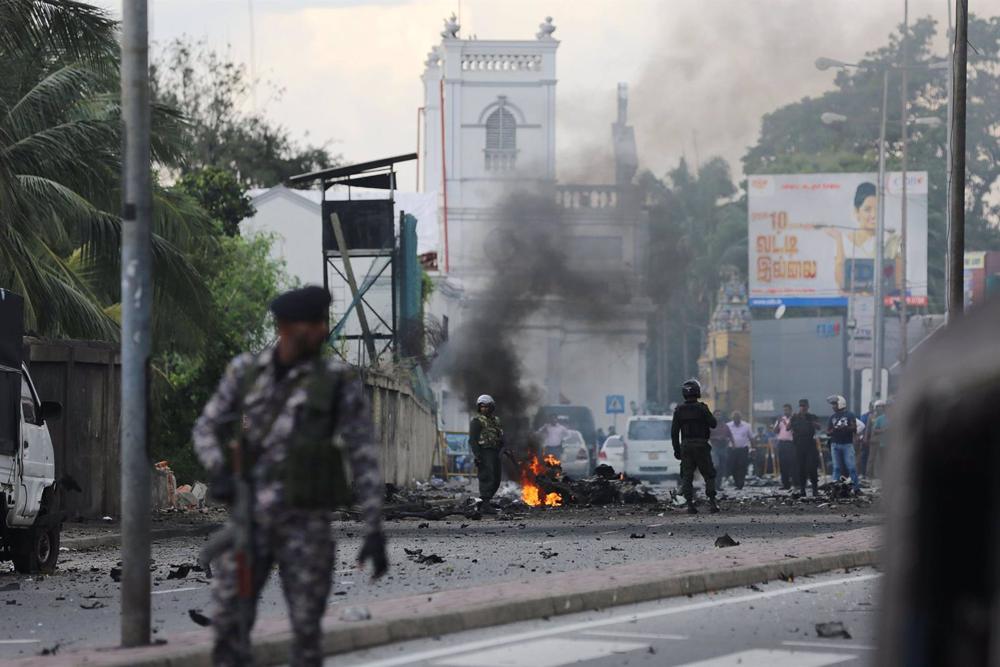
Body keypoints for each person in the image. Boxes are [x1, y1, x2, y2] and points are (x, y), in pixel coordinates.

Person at [192, 285, 387, 667]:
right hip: (249, 525)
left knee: (306, 635)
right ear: (285, 326)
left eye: (322, 321)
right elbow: (206, 427)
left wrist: (374, 529)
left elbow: (363, 455)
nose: (322, 330)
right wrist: (219, 469)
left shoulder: (337, 380)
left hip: (307, 528)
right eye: (312, 323)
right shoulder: (246, 372)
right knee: (230, 630)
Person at [671, 379, 719, 514]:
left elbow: (674, 433)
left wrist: (677, 450)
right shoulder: (702, 408)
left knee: (687, 476)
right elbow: (713, 423)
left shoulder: (679, 410)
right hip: (701, 445)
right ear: (697, 392)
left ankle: (690, 505)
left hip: (686, 446)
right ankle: (712, 502)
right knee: (709, 474)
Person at [469, 394, 505, 514]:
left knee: (496, 478)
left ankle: (487, 502)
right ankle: (485, 504)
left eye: (486, 406)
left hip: (495, 452)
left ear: (492, 407)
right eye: (482, 407)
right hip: (484, 452)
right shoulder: (476, 421)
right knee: (487, 477)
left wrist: (504, 448)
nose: (484, 409)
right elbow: (473, 440)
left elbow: (500, 436)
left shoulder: (496, 421)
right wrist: (477, 455)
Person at [827, 394, 861, 495]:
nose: (833, 406)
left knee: (851, 467)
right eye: (832, 404)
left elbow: (854, 428)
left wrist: (844, 428)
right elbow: (828, 432)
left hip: (847, 444)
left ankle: (856, 489)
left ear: (840, 403)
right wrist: (834, 430)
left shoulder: (850, 415)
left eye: (834, 404)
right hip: (835, 444)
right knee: (836, 468)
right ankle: (835, 489)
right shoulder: (832, 417)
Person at [790, 398, 822, 497]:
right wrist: (793, 418)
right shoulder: (795, 417)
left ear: (808, 407)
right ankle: (802, 489)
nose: (802, 408)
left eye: (804, 406)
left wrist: (811, 422)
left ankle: (815, 489)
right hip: (799, 445)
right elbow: (788, 427)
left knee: (812, 467)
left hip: (810, 444)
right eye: (801, 406)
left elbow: (819, 427)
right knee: (801, 468)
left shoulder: (812, 416)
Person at [772, 404, 797, 490]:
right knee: (783, 465)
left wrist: (785, 421)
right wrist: (778, 422)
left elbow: (788, 428)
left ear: (790, 410)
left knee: (792, 464)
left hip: (790, 444)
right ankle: (785, 484)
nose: (785, 412)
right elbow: (775, 431)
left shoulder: (793, 419)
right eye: (784, 410)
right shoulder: (780, 420)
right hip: (781, 443)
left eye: (787, 410)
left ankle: (794, 483)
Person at [726, 412, 753, 490]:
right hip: (732, 449)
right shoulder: (728, 425)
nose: (736, 419)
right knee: (733, 467)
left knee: (742, 466)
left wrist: (753, 449)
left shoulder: (747, 426)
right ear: (732, 418)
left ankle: (740, 483)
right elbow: (726, 438)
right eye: (735, 418)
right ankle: (737, 482)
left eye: (738, 417)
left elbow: (751, 438)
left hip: (743, 449)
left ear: (740, 418)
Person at [708, 410, 733, 490]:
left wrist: (732, 443)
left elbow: (730, 436)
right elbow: (706, 437)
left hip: (724, 448)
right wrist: (716, 438)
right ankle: (712, 483)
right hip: (714, 448)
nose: (718, 416)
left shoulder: (725, 426)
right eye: (717, 414)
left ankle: (718, 485)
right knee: (716, 466)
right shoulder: (710, 426)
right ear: (714, 416)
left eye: (720, 414)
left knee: (722, 467)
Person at [866, 400, 888, 479]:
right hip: (874, 440)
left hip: (884, 441)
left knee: (880, 459)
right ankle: (868, 474)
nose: (879, 408)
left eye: (881, 407)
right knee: (871, 458)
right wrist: (866, 438)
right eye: (878, 407)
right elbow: (868, 428)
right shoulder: (871, 416)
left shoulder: (886, 417)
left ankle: (879, 475)